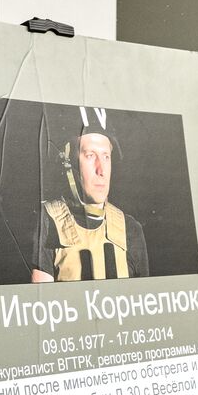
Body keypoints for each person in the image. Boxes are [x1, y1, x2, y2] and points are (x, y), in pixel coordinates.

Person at [33, 106, 150, 282]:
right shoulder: (47, 221)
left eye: (106, 156)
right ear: (68, 162)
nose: (101, 170)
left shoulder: (131, 229)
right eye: (90, 155)